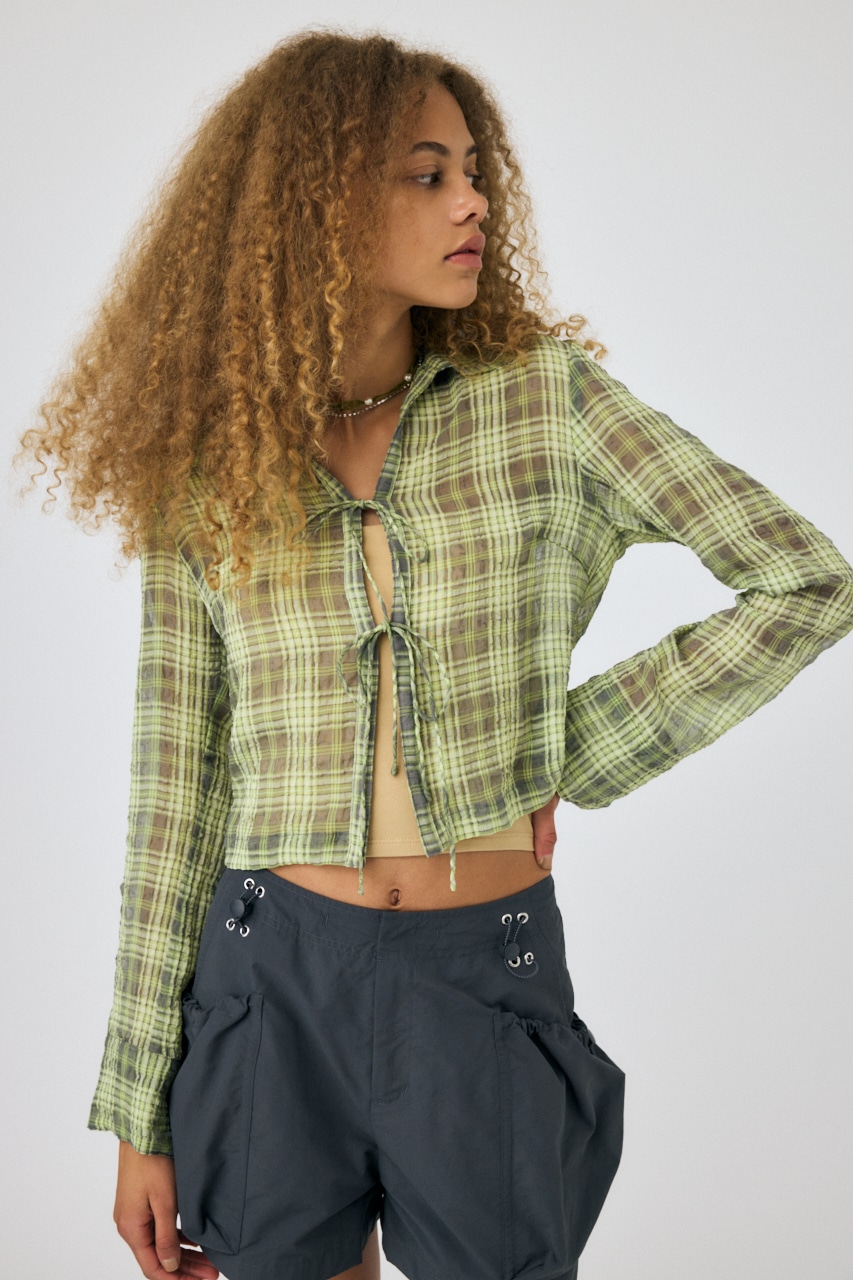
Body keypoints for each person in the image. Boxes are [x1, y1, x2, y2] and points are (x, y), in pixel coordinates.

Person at [17, 27, 853, 1280]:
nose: (472, 202)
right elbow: (174, 789)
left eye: (472, 171)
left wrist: (563, 748)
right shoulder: (213, 463)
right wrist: (139, 1106)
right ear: (314, 201)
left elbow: (804, 577)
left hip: (481, 971)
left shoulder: (549, 402)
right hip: (268, 973)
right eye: (425, 174)